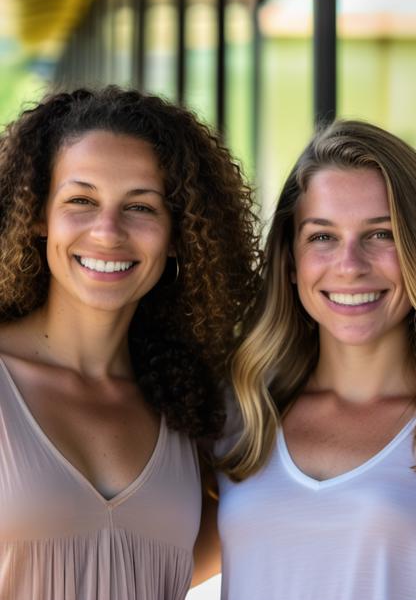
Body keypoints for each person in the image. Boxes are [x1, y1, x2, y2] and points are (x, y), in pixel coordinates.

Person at [0, 86, 260, 600]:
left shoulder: (188, 405)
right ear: (36, 214)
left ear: (178, 232)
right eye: (81, 200)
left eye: (140, 206)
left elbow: (243, 540)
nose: (108, 231)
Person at [215, 120, 416, 600]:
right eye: (323, 237)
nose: (350, 265)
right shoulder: (242, 415)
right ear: (291, 262)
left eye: (381, 234)